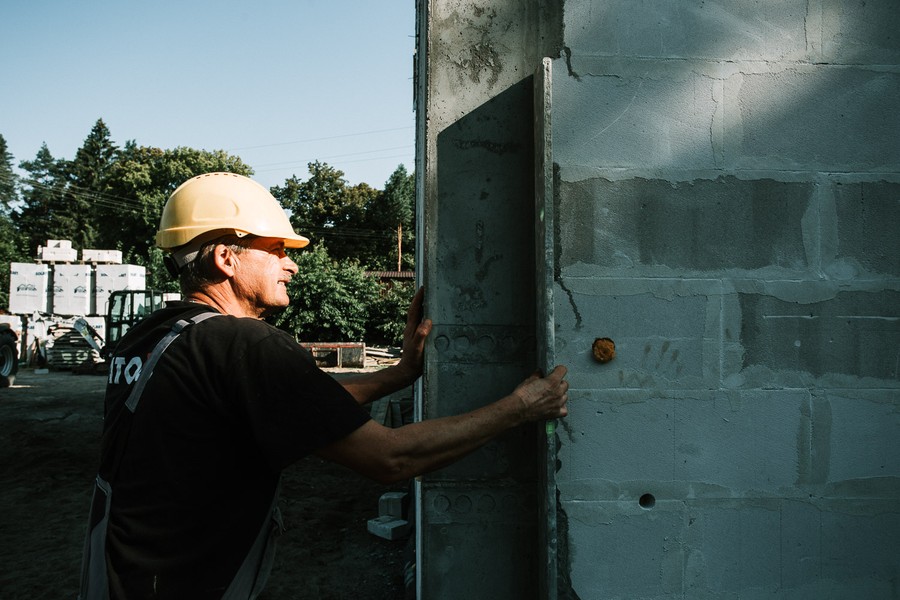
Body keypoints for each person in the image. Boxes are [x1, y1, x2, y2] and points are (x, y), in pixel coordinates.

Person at [79, 172, 569, 600]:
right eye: (276, 250)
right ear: (227, 257)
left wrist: (398, 374)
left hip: (120, 580)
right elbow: (391, 458)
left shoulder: (154, 339)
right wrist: (521, 407)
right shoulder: (245, 345)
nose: (291, 264)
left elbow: (297, 408)